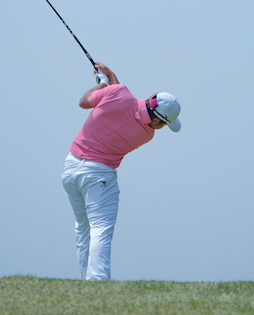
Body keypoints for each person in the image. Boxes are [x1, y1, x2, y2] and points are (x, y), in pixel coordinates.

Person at [60, 61, 181, 281]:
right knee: (100, 228)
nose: (162, 128)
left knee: (83, 228)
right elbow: (124, 108)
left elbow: (85, 102)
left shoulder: (119, 93)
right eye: (163, 124)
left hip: (71, 168)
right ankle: (97, 282)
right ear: (156, 120)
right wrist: (108, 80)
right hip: (98, 177)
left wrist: (103, 83)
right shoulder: (146, 135)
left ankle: (84, 281)